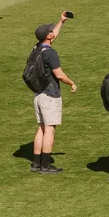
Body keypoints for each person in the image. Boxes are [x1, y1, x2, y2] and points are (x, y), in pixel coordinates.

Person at [29, 13, 76, 174]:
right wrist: (72, 83)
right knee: (50, 129)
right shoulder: (51, 53)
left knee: (41, 128)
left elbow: (53, 36)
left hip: (38, 94)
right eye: (51, 31)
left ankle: (36, 164)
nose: (52, 32)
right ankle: (46, 165)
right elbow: (60, 75)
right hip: (50, 95)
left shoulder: (37, 48)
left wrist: (61, 22)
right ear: (48, 36)